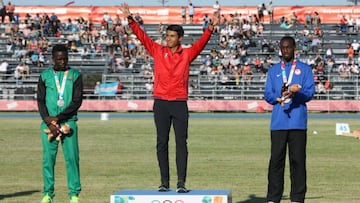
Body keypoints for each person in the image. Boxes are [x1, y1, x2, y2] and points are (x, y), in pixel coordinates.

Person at [120, 2, 219, 193]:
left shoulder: (187, 54)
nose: (168, 39)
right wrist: (130, 19)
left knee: (181, 143)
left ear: (180, 38)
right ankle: (164, 182)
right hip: (161, 103)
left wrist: (210, 29)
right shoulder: (158, 51)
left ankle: (181, 182)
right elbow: (142, 37)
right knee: (161, 142)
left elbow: (201, 43)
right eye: (167, 36)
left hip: (180, 103)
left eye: (172, 36)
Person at [264, 36, 315, 203]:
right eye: (283, 47)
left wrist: (296, 93)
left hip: (298, 122)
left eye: (288, 47)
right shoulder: (273, 70)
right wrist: (278, 96)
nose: (285, 50)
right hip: (278, 122)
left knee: (298, 162)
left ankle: (297, 198)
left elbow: (309, 93)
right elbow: (268, 95)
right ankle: (273, 198)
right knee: (276, 162)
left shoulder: (305, 69)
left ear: (294, 49)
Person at [37, 44, 83, 203]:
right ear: (53, 59)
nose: (62, 61)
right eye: (59, 59)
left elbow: (77, 101)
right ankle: (48, 194)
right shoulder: (45, 76)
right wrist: (48, 120)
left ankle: (74, 194)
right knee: (48, 160)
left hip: (69, 123)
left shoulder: (75, 75)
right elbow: (40, 101)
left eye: (65, 58)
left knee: (72, 159)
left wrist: (58, 118)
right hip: (48, 125)